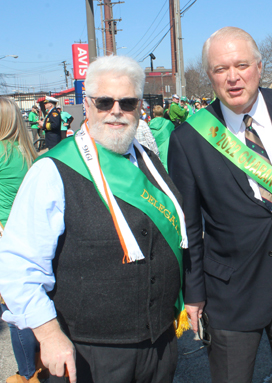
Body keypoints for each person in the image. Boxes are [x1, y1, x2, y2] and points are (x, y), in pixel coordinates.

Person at [0, 55, 188, 383]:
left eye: (127, 102)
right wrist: (48, 335)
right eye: (104, 102)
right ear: (87, 105)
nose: (116, 110)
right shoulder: (52, 171)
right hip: (89, 352)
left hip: (159, 345)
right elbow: (19, 265)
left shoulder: (149, 161)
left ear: (140, 107)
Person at [168, 26, 272, 383]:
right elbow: (188, 224)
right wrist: (192, 294)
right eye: (221, 69)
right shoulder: (190, 138)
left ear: (259, 66)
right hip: (229, 288)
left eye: (242, 65)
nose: (233, 77)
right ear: (209, 75)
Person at [0, 98, 42, 383]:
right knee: (31, 300)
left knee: (14, 309)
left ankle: (27, 373)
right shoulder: (28, 153)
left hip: (4, 235)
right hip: (29, 233)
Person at [149, 105, 175, 170]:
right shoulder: (168, 123)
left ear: (153, 114)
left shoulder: (149, 125)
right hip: (167, 151)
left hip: (154, 152)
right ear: (163, 113)